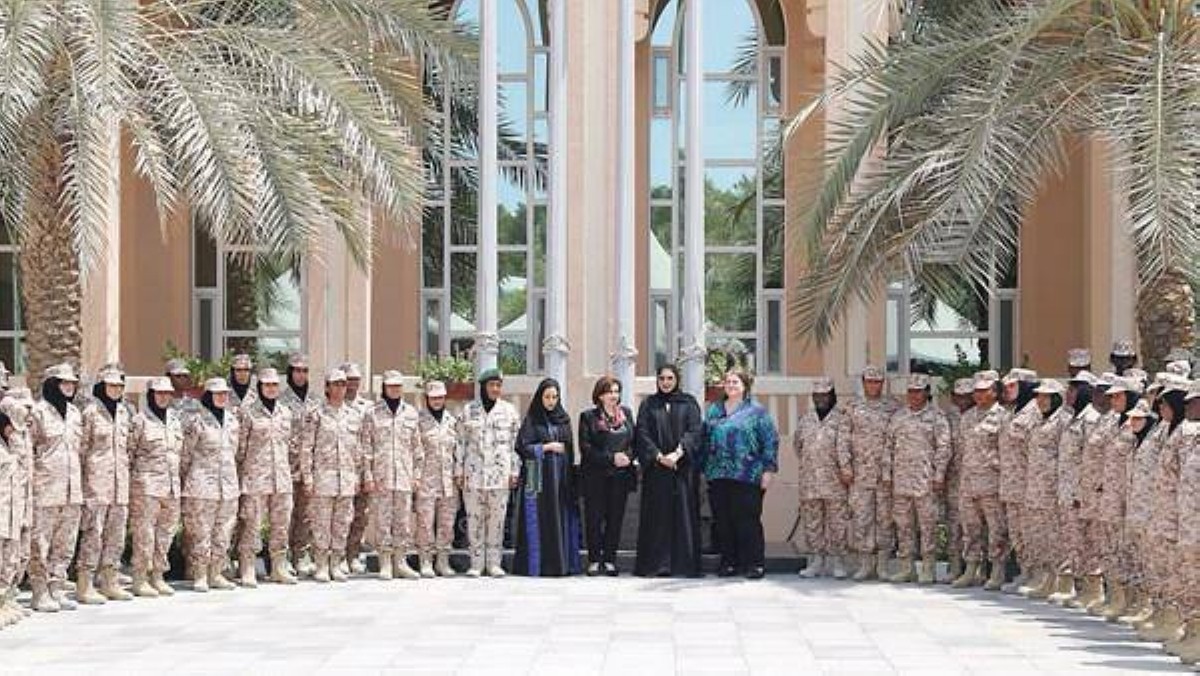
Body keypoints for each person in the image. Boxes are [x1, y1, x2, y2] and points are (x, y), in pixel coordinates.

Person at [701, 368, 778, 580]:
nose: (731, 385)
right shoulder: (714, 410)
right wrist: (703, 467)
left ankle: (754, 563)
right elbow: (705, 439)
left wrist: (768, 470)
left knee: (747, 520)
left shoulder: (756, 411)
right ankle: (729, 562)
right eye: (728, 382)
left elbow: (770, 441)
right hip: (718, 473)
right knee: (723, 521)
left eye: (735, 382)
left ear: (745, 386)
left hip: (748, 474)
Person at [634, 364, 704, 578]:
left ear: (677, 380)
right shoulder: (648, 404)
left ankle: (684, 565)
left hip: (682, 469)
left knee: (683, 515)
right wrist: (658, 456)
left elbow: (695, 431)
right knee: (657, 517)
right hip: (656, 470)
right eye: (662, 378)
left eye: (670, 378)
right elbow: (642, 434)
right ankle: (657, 565)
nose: (665, 382)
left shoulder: (689, 403)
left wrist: (677, 454)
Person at [882, 373, 951, 584]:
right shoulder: (898, 417)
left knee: (927, 526)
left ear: (926, 393)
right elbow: (888, 446)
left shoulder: (937, 417)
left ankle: (928, 568)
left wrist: (939, 475)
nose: (913, 395)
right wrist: (887, 474)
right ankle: (907, 568)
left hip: (925, 481)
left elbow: (944, 447)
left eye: (918, 392)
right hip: (901, 481)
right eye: (911, 391)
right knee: (903, 525)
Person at [301, 368, 367, 583]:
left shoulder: (354, 415)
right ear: (327, 387)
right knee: (321, 523)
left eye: (343, 384)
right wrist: (307, 477)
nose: (340, 388)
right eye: (335, 384)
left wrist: (359, 476)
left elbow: (359, 449)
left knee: (342, 523)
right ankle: (321, 564)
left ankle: (336, 563)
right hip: (323, 478)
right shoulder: (316, 414)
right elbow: (306, 448)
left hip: (347, 479)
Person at [28, 363, 85, 612]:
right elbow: (28, 450)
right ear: (52, 384)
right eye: (64, 382)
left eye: (72, 382)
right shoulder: (38, 413)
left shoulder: (74, 413)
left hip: (72, 490)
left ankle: (57, 588)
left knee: (66, 542)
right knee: (40, 543)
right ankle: (39, 591)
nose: (69, 386)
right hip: (45, 490)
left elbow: (81, 449)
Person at [1137, 378, 1190, 643]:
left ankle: (1179, 623)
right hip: (1162, 513)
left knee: (1179, 571)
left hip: (1181, 516)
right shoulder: (1166, 430)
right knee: (1163, 566)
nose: (1160, 407)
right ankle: (1166, 617)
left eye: (1165, 403)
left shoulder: (1186, 434)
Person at [514, 377, 583, 577]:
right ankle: (536, 565)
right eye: (547, 397)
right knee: (538, 517)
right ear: (540, 397)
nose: (551, 401)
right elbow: (522, 447)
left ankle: (560, 564)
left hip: (559, 477)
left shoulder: (564, 419)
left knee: (558, 517)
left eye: (554, 397)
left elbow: (569, 449)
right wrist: (546, 447)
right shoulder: (532, 420)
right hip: (536, 475)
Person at [455, 368, 520, 578]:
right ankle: (476, 563)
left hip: (499, 476)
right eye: (491, 385)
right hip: (473, 476)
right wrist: (458, 470)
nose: (495, 389)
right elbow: (460, 443)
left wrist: (514, 471)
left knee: (497, 522)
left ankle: (493, 563)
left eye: (498, 385)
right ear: (483, 387)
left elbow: (515, 445)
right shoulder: (468, 411)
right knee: (474, 520)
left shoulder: (509, 412)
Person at [234, 367, 296, 587]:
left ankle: (278, 566)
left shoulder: (285, 412)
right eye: (267, 385)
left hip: (281, 478)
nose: (271, 389)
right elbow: (240, 448)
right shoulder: (248, 412)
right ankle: (248, 567)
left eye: (274, 385)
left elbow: (290, 444)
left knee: (281, 524)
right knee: (252, 524)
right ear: (259, 387)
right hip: (256, 478)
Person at [77, 365, 134, 604]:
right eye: (112, 386)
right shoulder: (90, 413)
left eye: (120, 386)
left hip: (120, 485)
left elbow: (129, 448)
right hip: (96, 484)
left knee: (116, 535)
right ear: (101, 387)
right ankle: (85, 584)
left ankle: (110, 580)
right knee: (94, 533)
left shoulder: (123, 412)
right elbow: (81, 450)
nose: (116, 390)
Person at [361, 369, 423, 581]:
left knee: (403, 521)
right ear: (384, 388)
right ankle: (385, 563)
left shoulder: (411, 413)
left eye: (398, 386)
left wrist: (417, 475)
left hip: (404, 476)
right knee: (382, 520)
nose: (395, 389)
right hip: (381, 477)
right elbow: (366, 447)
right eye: (391, 386)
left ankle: (401, 562)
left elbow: (417, 448)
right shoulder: (372, 413)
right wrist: (368, 475)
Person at [181, 377, 241, 593]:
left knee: (224, 531)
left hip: (228, 485)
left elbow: (235, 451)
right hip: (202, 486)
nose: (222, 397)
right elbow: (185, 454)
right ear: (208, 396)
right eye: (217, 394)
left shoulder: (233, 421)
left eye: (225, 394)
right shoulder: (197, 422)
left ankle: (216, 573)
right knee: (201, 532)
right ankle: (199, 574)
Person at [1047, 371, 1099, 605]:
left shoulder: (1090, 419)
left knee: (1086, 542)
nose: (1068, 394)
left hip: (1080, 492)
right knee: (1072, 541)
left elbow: (1092, 459)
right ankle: (1080, 588)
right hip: (1066, 491)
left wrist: (1082, 491)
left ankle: (1093, 589)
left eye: (1073, 390)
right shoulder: (1072, 418)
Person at [128, 377, 182, 598]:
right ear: (151, 395)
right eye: (159, 393)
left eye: (167, 393)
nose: (163, 397)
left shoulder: (174, 420)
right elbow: (129, 452)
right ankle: (140, 577)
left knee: (165, 533)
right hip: (146, 488)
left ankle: (158, 575)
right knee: (144, 534)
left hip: (171, 487)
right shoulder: (140, 421)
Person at [843, 365, 899, 581]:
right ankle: (865, 564)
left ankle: (883, 565)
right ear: (863, 383)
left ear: (882, 384)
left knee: (885, 519)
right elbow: (843, 439)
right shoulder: (852, 407)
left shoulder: (893, 407)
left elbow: (899, 439)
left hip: (886, 476)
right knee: (862, 518)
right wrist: (846, 466)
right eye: (869, 381)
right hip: (860, 474)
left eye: (877, 382)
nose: (873, 385)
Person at [1092, 376, 1142, 615]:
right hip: (1109, 497)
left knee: (1129, 550)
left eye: (1118, 396)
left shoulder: (1138, 424)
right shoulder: (1111, 422)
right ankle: (1116, 596)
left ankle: (1134, 601)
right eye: (1111, 396)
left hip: (1128, 498)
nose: (1113, 400)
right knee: (1111, 547)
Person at [952, 370, 1007, 590]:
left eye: (984, 391)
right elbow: (961, 450)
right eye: (976, 391)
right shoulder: (967, 417)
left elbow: (1006, 453)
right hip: (968, 482)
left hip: (991, 482)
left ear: (994, 392)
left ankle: (997, 569)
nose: (979, 395)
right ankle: (971, 568)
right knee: (970, 527)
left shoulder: (1003, 417)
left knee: (996, 528)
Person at [1018, 379, 1071, 599]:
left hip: (1053, 488)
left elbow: (1066, 455)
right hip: (1036, 488)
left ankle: (1064, 582)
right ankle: (1047, 578)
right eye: (1038, 396)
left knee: (1057, 536)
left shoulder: (1064, 421)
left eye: (1045, 396)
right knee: (1041, 535)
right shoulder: (1037, 420)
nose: (1040, 400)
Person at [576, 376, 634, 576]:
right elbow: (586, 448)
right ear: (600, 395)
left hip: (621, 476)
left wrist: (627, 457)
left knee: (615, 518)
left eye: (616, 391)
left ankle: (610, 560)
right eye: (609, 392)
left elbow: (634, 442)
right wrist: (611, 458)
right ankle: (594, 560)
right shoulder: (588, 417)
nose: (614, 395)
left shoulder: (626, 414)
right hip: (595, 476)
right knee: (594, 518)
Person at [795, 377, 849, 579]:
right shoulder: (806, 419)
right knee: (812, 523)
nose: (820, 399)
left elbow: (847, 448)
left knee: (838, 523)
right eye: (817, 395)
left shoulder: (842, 418)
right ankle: (816, 561)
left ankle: (838, 561)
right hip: (810, 480)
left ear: (832, 396)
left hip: (835, 481)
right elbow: (798, 446)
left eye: (825, 395)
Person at [1075, 372, 1118, 610]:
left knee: (1107, 543)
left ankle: (1112, 594)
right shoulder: (1102, 419)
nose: (1098, 396)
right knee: (1094, 541)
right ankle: (1096, 590)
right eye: (1097, 391)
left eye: (1104, 392)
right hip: (1091, 490)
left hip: (1106, 493)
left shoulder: (1117, 421)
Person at [997, 367, 1038, 593]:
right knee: (1016, 531)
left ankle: (1036, 574)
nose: (1007, 390)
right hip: (1011, 483)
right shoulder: (1011, 412)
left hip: (1027, 484)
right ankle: (1025, 571)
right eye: (1006, 386)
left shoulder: (1034, 413)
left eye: (1013, 386)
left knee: (1030, 530)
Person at [1169, 381, 1200, 663]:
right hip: (1188, 525)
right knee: (1189, 579)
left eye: (1194, 402)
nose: (1188, 406)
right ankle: (1194, 632)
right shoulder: (1191, 435)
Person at [415, 380, 460, 577]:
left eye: (440, 398)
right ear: (427, 398)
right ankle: (425, 560)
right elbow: (414, 450)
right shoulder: (419, 421)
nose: (437, 401)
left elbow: (458, 450)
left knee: (447, 523)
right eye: (433, 398)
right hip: (426, 479)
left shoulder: (452, 420)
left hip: (448, 480)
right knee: (425, 522)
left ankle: (443, 560)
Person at [279, 352, 317, 577]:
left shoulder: (316, 401)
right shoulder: (281, 401)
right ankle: (282, 558)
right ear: (290, 373)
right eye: (297, 371)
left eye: (304, 371)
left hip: (309, 467)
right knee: (285, 513)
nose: (301, 375)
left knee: (306, 513)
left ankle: (301, 555)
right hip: (287, 465)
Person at [0, 387, 34, 626]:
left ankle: (5, 599)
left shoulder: (13, 444)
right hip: (3, 512)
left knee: (12, 557)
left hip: (13, 510)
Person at [941, 378, 974, 584]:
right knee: (954, 524)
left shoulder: (979, 416)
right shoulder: (947, 417)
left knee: (976, 526)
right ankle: (954, 566)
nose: (962, 401)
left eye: (966, 396)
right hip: (954, 479)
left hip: (977, 479)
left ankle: (977, 569)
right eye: (958, 396)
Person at [341, 362, 372, 575]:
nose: (353, 383)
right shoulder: (333, 405)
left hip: (362, 469)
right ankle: (338, 556)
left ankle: (352, 555)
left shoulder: (368, 407)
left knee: (360, 515)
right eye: (349, 379)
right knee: (340, 515)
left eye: (356, 379)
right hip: (340, 469)